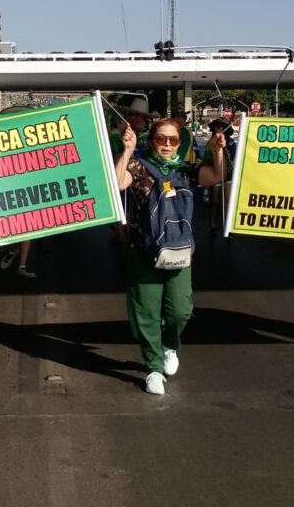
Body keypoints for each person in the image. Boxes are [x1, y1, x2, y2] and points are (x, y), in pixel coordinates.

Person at [114, 117, 225, 395]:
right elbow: (117, 184)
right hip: (144, 253)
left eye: (172, 140)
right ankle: (152, 367)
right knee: (147, 312)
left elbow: (217, 176)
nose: (166, 144)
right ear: (151, 141)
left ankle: (169, 346)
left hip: (179, 252)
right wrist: (127, 151)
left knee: (179, 311)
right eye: (161, 139)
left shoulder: (187, 171)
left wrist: (218, 151)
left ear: (179, 143)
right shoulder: (139, 167)